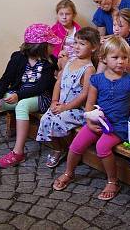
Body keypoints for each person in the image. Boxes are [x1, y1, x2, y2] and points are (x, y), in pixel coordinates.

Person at [53, 37, 130, 199]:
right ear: (103, 58)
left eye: (124, 57)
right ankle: (69, 172)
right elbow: (89, 104)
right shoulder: (96, 80)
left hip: (119, 125)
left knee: (102, 147)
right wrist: (89, 120)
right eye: (115, 57)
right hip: (98, 120)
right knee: (76, 145)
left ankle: (112, 181)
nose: (121, 61)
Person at [0, 23, 58, 168]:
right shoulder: (18, 58)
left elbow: (41, 87)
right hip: (18, 93)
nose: (53, 47)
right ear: (41, 46)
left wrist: (18, 95)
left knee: (22, 106)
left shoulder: (50, 62)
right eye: (50, 44)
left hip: (41, 97)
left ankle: (18, 152)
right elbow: (6, 78)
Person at [36, 27, 97, 168]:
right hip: (60, 105)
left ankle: (73, 151)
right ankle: (58, 148)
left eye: (82, 44)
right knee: (45, 119)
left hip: (76, 109)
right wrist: (54, 101)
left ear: (93, 48)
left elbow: (84, 94)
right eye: (75, 43)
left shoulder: (89, 69)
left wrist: (66, 107)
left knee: (58, 121)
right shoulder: (69, 62)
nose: (76, 47)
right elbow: (58, 82)